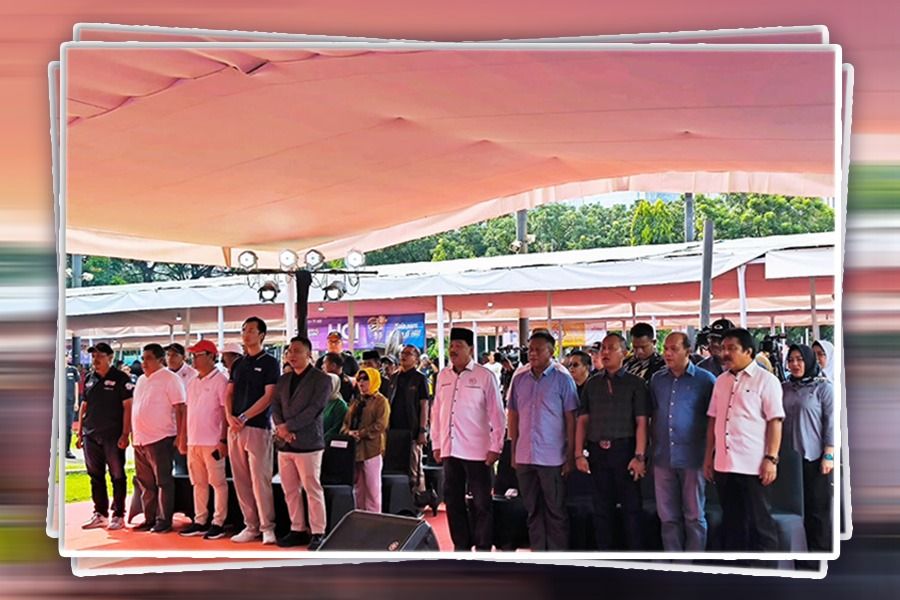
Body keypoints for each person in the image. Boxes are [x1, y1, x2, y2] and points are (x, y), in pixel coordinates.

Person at [703, 328, 784, 551]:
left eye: (732, 349)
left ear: (748, 351)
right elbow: (713, 420)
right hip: (724, 464)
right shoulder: (720, 381)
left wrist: (771, 459)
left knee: (760, 524)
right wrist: (709, 457)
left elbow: (775, 422)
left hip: (753, 465)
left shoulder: (767, 381)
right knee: (733, 523)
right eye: (724, 348)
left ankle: (769, 576)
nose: (725, 353)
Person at [431, 327, 505, 551]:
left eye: (458, 347)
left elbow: (497, 414)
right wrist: (436, 443)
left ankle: (483, 547)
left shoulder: (484, 376)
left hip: (478, 450)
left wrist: (496, 447)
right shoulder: (443, 375)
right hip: (450, 449)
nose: (453, 351)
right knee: (452, 501)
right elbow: (436, 412)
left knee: (482, 503)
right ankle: (460, 545)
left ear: (471, 349)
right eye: (451, 346)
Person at [575, 333, 649, 550]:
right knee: (601, 510)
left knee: (631, 510)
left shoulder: (636, 383)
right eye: (602, 349)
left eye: (611, 348)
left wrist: (639, 456)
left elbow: (642, 423)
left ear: (624, 353)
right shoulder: (592, 383)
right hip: (598, 452)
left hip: (625, 451)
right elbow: (582, 421)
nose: (605, 353)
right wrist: (579, 453)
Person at [508, 330, 578, 551]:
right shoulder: (519, 380)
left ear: (552, 351)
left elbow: (571, 419)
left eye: (538, 349)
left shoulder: (563, 379)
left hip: (552, 457)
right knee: (532, 510)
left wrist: (570, 455)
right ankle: (538, 553)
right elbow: (513, 416)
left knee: (555, 511)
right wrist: (513, 452)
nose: (533, 353)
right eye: (530, 349)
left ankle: (557, 558)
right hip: (525, 456)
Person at [649, 332, 717, 551]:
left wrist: (709, 455)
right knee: (667, 517)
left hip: (693, 457)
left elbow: (713, 421)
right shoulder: (657, 380)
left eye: (674, 349)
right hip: (663, 457)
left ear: (688, 350)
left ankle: (695, 563)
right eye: (665, 348)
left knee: (695, 516)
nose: (667, 353)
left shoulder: (705, 380)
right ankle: (674, 563)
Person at [273, 336, 332, 550]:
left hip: (308, 441)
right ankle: (297, 528)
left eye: (297, 351)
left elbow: (315, 409)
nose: (292, 355)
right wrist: (281, 428)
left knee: (312, 488)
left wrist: (290, 427)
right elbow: (276, 405)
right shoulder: (283, 380)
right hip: (285, 443)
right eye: (289, 351)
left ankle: (318, 531)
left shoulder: (322, 379)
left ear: (308, 353)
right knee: (290, 489)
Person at [226, 316, 280, 544]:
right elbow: (229, 393)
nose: (246, 334)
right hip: (235, 428)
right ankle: (251, 525)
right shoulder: (238, 363)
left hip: (257, 426)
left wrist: (246, 415)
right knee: (241, 479)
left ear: (261, 335)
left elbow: (269, 396)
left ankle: (268, 526)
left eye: (251, 330)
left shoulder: (269, 363)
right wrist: (230, 416)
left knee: (260, 479)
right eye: (243, 329)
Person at [783, 343, 835, 552]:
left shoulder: (823, 388)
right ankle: (799, 557)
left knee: (816, 511)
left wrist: (828, 455)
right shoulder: (784, 387)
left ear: (809, 360)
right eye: (791, 360)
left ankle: (820, 555)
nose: (795, 364)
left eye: (800, 359)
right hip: (789, 461)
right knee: (795, 510)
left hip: (814, 459)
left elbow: (831, 423)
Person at [76, 342, 133, 530]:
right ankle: (100, 513)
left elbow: (128, 407)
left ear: (110, 357)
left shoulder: (121, 378)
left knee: (117, 475)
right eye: (93, 356)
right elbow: (84, 406)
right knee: (95, 475)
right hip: (90, 435)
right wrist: (80, 432)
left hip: (112, 435)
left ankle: (118, 514)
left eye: (100, 356)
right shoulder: (90, 379)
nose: (96, 360)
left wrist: (125, 433)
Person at [131, 343, 186, 533]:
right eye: (143, 358)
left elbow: (180, 408)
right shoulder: (140, 380)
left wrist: (180, 436)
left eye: (148, 358)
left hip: (161, 437)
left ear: (160, 359)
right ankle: (149, 518)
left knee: (163, 481)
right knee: (145, 483)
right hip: (140, 440)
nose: (143, 362)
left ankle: (164, 520)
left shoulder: (170, 378)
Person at [179, 340, 229, 540]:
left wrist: (223, 439)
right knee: (198, 483)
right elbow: (187, 411)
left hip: (212, 440)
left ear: (211, 356)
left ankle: (219, 521)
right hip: (194, 441)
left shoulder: (221, 380)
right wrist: (183, 438)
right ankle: (200, 520)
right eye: (193, 356)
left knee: (217, 482)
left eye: (198, 355)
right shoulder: (192, 382)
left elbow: (225, 411)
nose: (194, 360)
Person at [341, 367, 390, 513]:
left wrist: (361, 434)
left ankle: (374, 521)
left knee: (373, 489)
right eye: (359, 379)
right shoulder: (356, 401)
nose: (361, 383)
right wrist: (348, 432)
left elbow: (380, 425)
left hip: (372, 449)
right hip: (355, 450)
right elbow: (345, 423)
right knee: (359, 489)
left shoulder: (381, 401)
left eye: (365, 379)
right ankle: (360, 517)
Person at [388, 344, 431, 493]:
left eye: (408, 353)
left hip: (412, 429)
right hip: (394, 429)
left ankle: (418, 496)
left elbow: (424, 404)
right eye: (402, 353)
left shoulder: (420, 378)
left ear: (416, 359)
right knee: (396, 463)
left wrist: (422, 430)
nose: (403, 356)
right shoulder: (393, 378)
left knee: (413, 465)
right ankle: (400, 497)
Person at [323, 373, 349, 444]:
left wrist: (320, 440)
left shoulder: (340, 405)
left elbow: (337, 427)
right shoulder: (321, 401)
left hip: (329, 443)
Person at [65, 357, 80, 459]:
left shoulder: (72, 370)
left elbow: (76, 386)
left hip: (69, 403)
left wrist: (76, 401)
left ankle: (67, 450)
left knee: (68, 427)